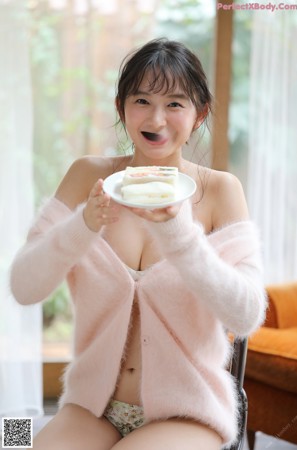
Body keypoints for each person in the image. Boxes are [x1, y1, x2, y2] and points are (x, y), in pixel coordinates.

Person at [10, 38, 267, 450]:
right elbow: (24, 287)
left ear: (199, 113)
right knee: (23, 445)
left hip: (189, 411)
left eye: (175, 104)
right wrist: (83, 226)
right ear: (121, 108)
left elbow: (246, 314)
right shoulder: (87, 177)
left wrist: (180, 236)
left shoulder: (220, 190)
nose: (157, 118)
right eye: (142, 100)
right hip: (92, 407)